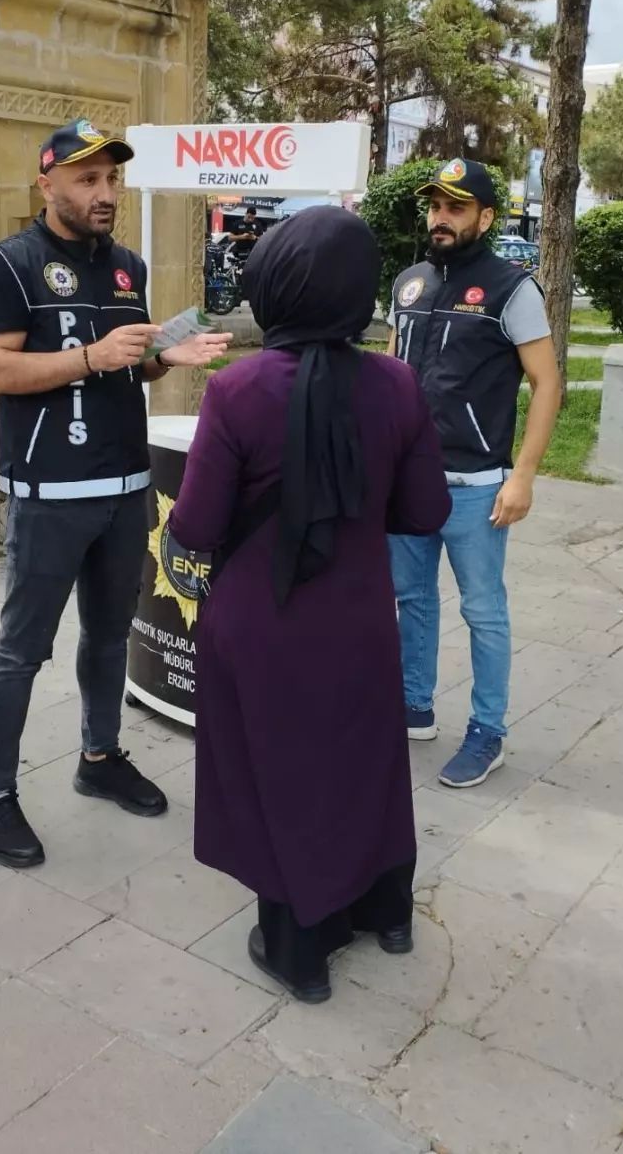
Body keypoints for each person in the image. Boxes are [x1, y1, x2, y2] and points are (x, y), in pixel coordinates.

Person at [168, 208, 451, 1003]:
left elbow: (193, 525)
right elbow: (425, 511)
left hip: (262, 623)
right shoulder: (396, 383)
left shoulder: (238, 389)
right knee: (367, 763)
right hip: (359, 617)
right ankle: (385, 914)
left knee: (278, 776)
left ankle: (299, 952)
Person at [0, 119, 231, 867]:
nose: (105, 192)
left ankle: (100, 757)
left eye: (112, 178)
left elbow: (127, 365)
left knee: (110, 634)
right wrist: (88, 356)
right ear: (46, 184)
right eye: (87, 179)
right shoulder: (9, 266)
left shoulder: (128, 269)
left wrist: (159, 360)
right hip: (50, 492)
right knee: (22, 650)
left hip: (126, 489)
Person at [388, 159, 560, 787]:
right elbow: (392, 371)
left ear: (486, 217)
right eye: (435, 206)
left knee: (484, 611)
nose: (441, 217)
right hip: (408, 482)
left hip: (477, 485)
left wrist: (524, 475)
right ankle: (414, 705)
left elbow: (547, 384)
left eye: (456, 208)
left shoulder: (513, 288)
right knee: (411, 599)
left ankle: (489, 732)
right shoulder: (408, 283)